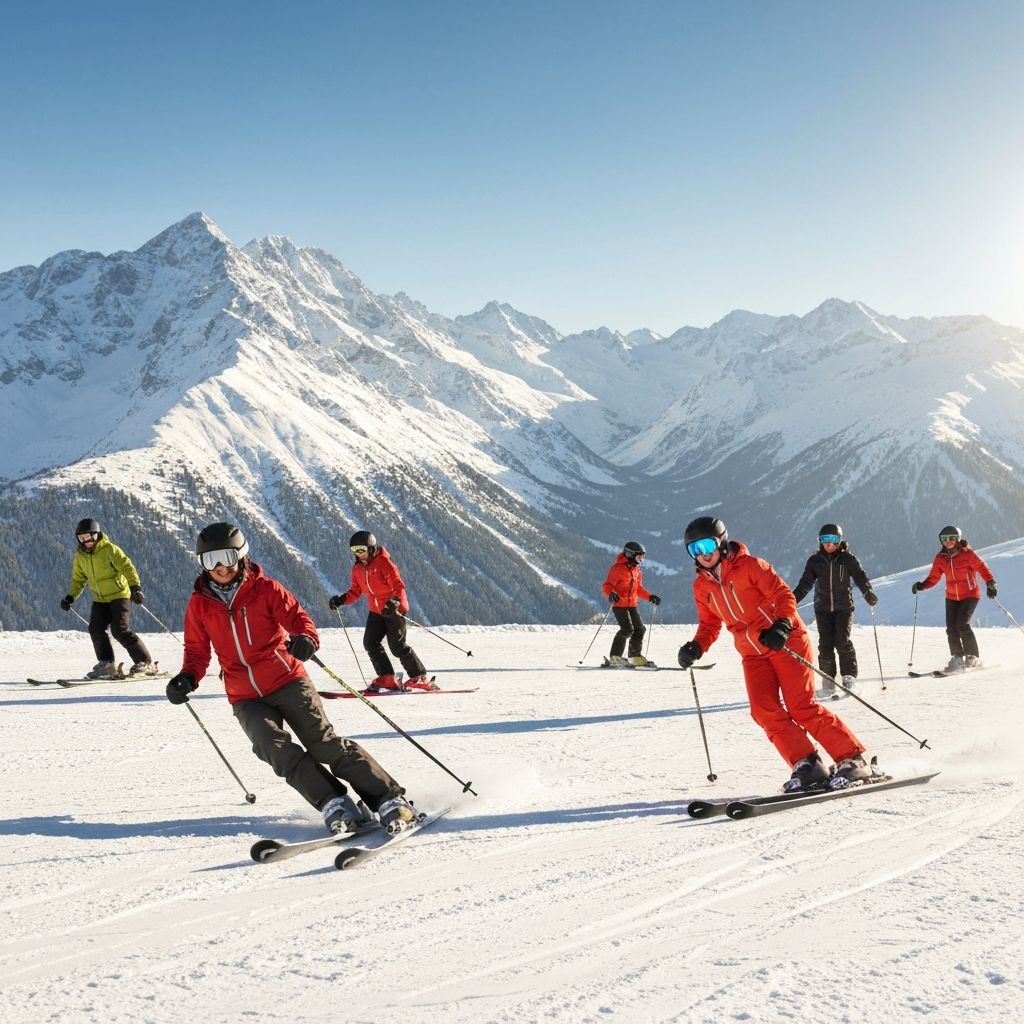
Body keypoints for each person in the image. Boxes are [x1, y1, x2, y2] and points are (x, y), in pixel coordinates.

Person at [165, 522, 417, 836]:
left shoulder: (265, 589)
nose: (220, 567)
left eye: (227, 557)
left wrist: (306, 639)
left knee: (323, 744)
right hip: (244, 695)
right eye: (210, 560)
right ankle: (334, 803)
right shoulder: (199, 605)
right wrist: (187, 677)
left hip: (287, 680)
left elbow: (299, 619)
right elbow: (197, 650)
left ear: (241, 556)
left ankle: (388, 798)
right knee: (275, 749)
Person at [676, 516, 872, 792]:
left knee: (801, 706)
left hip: (785, 641)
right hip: (752, 654)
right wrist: (696, 646)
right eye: (695, 549)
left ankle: (852, 759)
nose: (703, 554)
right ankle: (808, 764)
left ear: (721, 543)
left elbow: (784, 597)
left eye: (707, 545)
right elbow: (710, 624)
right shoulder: (702, 587)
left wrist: (781, 625)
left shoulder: (752, 566)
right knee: (763, 710)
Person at [328, 530, 434, 692]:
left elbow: (398, 586)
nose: (359, 554)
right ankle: (387, 678)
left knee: (397, 646)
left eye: (361, 550)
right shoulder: (357, 569)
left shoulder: (384, 563)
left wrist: (395, 602)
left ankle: (419, 677)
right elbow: (355, 591)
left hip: (393, 610)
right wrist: (341, 600)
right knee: (370, 643)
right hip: (376, 612)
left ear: (371, 548)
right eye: (355, 551)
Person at [60, 517, 156, 678]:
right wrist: (70, 597)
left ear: (96, 535)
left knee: (120, 630)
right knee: (95, 629)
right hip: (100, 599)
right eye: (81, 538)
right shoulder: (80, 556)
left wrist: (135, 588)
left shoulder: (110, 550)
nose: (86, 541)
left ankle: (144, 662)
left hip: (119, 595)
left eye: (88, 537)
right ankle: (107, 664)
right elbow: (78, 579)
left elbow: (127, 567)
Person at [791, 523, 878, 698]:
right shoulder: (815, 561)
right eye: (825, 540)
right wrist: (791, 601)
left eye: (833, 540)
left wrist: (868, 592)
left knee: (842, 641)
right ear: (820, 541)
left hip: (843, 607)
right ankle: (828, 681)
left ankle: (848, 678)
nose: (829, 544)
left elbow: (861, 576)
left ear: (839, 541)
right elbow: (805, 584)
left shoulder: (848, 559)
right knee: (825, 644)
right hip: (822, 608)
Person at [911, 524, 996, 672]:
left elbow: (982, 567)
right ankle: (957, 659)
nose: (948, 541)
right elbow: (934, 577)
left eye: (952, 538)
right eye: (944, 539)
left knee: (962, 625)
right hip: (951, 597)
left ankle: (972, 657)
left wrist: (990, 584)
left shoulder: (968, 554)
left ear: (958, 539)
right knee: (951, 629)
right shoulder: (940, 558)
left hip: (970, 595)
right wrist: (922, 585)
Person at [601, 541, 661, 666]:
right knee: (627, 629)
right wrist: (611, 594)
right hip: (619, 605)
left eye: (642, 557)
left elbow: (638, 589)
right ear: (629, 554)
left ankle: (634, 656)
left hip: (632, 604)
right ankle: (615, 658)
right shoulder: (617, 569)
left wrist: (650, 597)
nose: (641, 559)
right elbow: (607, 585)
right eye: (639, 556)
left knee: (640, 629)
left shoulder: (637, 571)